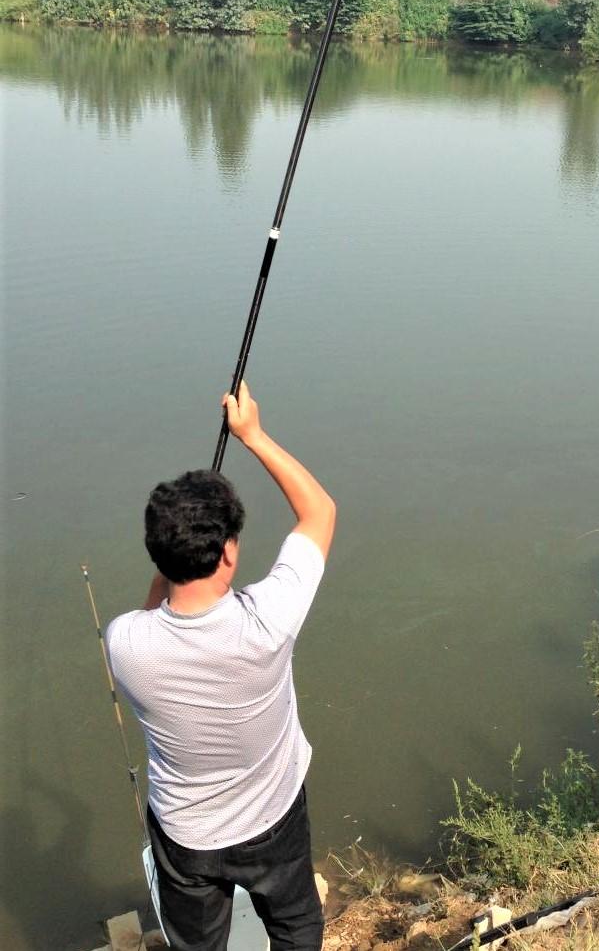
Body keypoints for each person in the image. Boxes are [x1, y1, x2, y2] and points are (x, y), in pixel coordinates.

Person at [106, 381, 336, 951]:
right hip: (272, 823)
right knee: (295, 927)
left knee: (198, 944)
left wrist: (171, 555)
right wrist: (252, 435)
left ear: (157, 556)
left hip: (184, 836)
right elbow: (319, 511)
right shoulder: (268, 621)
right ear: (229, 552)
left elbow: (154, 606)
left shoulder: (126, 643)